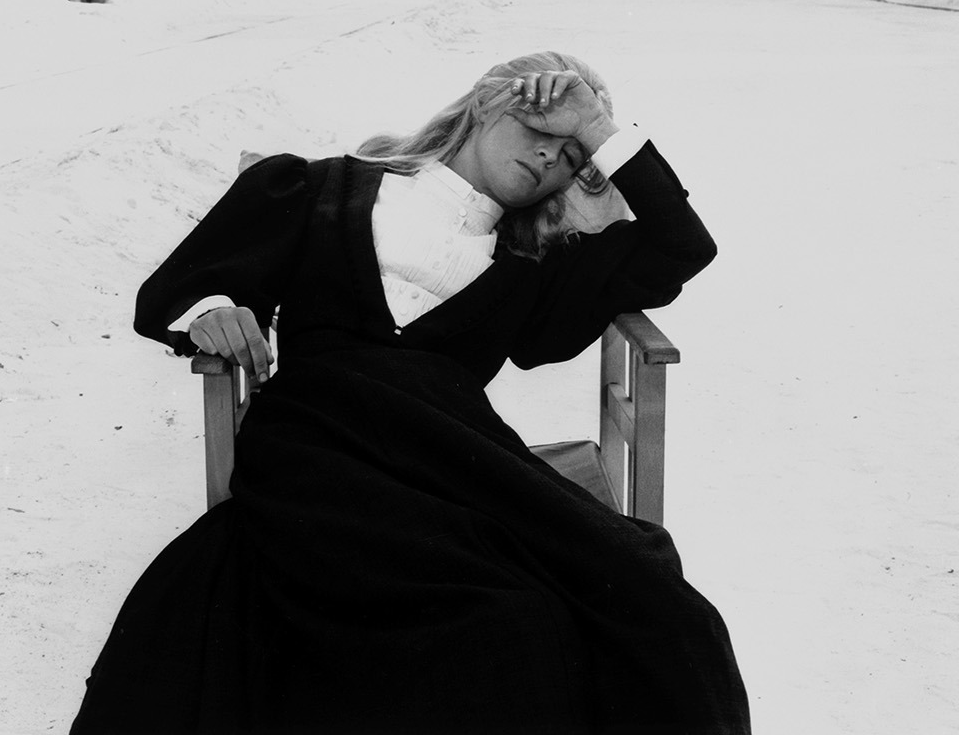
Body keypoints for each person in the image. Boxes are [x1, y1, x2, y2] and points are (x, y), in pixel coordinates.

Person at [70, 51, 751, 735]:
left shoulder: (535, 264)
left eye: (574, 155)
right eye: (539, 126)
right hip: (319, 439)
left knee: (657, 604)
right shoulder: (317, 188)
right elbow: (186, 286)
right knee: (492, 617)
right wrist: (216, 312)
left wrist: (600, 127)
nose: (551, 157)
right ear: (485, 104)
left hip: (453, 457)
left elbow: (682, 246)